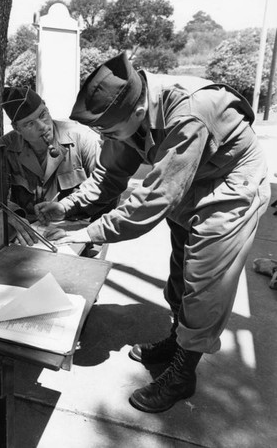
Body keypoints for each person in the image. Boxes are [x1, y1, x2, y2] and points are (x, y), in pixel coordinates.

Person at [35, 51, 270, 413]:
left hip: (231, 184)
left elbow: (154, 198)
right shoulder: (126, 110)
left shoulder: (189, 112)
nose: (107, 137)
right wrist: (67, 207)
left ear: (139, 112)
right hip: (190, 180)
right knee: (180, 271)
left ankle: (183, 375)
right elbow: (109, 175)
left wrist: (89, 233)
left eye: (110, 131)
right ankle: (179, 342)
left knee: (205, 279)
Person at [0, 86, 104, 246]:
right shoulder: (6, 148)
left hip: (78, 232)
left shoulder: (83, 139)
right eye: (29, 124)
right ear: (17, 129)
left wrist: (90, 236)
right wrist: (12, 215)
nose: (42, 126)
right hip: (32, 237)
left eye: (43, 114)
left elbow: (107, 189)